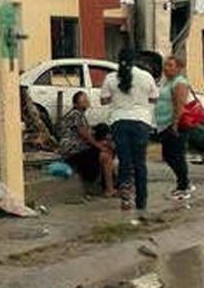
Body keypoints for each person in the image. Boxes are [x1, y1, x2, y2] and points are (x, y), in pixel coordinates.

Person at [101, 49, 159, 212]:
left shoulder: (111, 78)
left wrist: (118, 98)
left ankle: (126, 199)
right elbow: (154, 98)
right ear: (135, 60)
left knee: (124, 161)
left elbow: (104, 100)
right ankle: (141, 201)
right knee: (140, 162)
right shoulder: (146, 76)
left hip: (119, 121)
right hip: (141, 122)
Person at [57, 92, 116, 197]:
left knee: (106, 149)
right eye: (83, 101)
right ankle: (109, 189)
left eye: (86, 100)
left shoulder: (81, 116)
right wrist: (98, 146)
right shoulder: (76, 114)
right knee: (105, 155)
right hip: (74, 151)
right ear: (75, 104)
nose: (86, 102)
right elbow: (84, 134)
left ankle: (110, 185)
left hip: (79, 149)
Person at [155, 56, 196, 200]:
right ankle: (184, 181)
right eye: (165, 65)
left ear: (178, 68)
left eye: (170, 65)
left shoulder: (179, 83)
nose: (166, 68)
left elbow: (180, 105)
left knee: (176, 155)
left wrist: (175, 123)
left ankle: (183, 186)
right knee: (168, 155)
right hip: (164, 124)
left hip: (175, 125)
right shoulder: (167, 82)